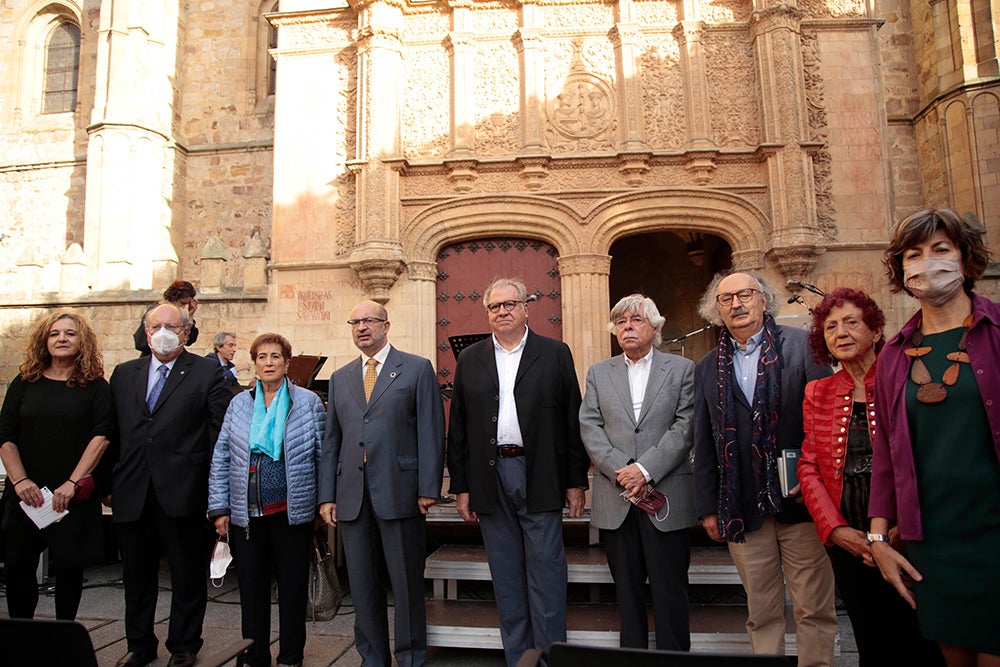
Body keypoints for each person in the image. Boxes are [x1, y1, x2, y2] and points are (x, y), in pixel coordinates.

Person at [869, 207, 1000, 666]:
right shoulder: (893, 355)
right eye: (914, 254)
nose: (928, 262)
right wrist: (879, 541)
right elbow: (886, 453)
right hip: (934, 538)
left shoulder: (998, 331)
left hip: (993, 532)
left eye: (940, 250)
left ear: (964, 259)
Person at [692, 271, 837, 667]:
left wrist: (819, 486)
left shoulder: (803, 347)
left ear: (763, 300)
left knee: (814, 607)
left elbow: (823, 422)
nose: (736, 304)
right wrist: (708, 507)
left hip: (802, 503)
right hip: (742, 507)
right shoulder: (706, 367)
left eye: (745, 295)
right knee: (763, 611)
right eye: (726, 299)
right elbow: (703, 440)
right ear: (716, 309)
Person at [447, 277, 590, 667]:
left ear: (526, 308)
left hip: (539, 472)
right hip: (490, 478)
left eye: (511, 304)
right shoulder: (470, 358)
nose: (503, 311)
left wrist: (576, 481)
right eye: (495, 307)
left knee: (546, 575)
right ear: (487, 313)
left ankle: (549, 659)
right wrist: (461, 485)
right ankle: (520, 661)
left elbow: (571, 420)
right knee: (507, 579)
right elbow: (457, 426)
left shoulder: (555, 353)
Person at [798, 288, 943, 666]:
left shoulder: (906, 379)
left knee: (919, 639)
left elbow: (927, 457)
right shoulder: (818, 391)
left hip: (908, 534)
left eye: (851, 322)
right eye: (830, 327)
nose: (840, 333)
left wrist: (899, 529)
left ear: (876, 330)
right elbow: (809, 466)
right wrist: (835, 530)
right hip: (849, 540)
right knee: (871, 639)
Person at [318, 300, 445, 667]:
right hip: (352, 497)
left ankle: (410, 657)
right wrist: (328, 494)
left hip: (401, 491)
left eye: (369, 320)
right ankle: (373, 657)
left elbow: (431, 432)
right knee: (362, 584)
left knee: (405, 584)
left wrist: (427, 487)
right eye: (354, 321)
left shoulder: (417, 369)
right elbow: (332, 443)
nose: (361, 327)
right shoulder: (341, 378)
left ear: (386, 325)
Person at [108, 302, 232, 667]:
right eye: (156, 326)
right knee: (136, 576)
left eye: (172, 327)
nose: (163, 332)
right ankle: (140, 644)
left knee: (187, 574)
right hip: (133, 491)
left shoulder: (207, 372)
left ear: (186, 332)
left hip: (184, 491)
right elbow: (112, 431)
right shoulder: (124, 373)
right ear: (146, 332)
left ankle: (184, 645)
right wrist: (109, 481)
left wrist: (215, 493)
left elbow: (218, 435)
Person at [579, 294, 697, 650]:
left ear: (655, 327)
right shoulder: (599, 372)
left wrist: (644, 469)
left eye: (635, 320)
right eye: (620, 322)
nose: (627, 327)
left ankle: (674, 658)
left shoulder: (681, 369)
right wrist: (622, 469)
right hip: (616, 500)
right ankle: (632, 658)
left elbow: (686, 425)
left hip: (666, 497)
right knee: (626, 593)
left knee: (669, 590)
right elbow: (590, 426)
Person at [209, 333, 325, 667]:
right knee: (252, 591)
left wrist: (322, 503)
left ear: (287, 363)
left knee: (292, 590)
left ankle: (291, 656)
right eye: (262, 357)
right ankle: (253, 654)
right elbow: (221, 457)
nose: (269, 363)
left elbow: (323, 455)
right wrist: (219, 507)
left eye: (276, 357)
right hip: (247, 515)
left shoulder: (307, 402)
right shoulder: (239, 404)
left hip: (292, 513)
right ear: (255, 364)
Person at [0, 312, 113, 620]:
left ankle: (63, 640)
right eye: (54, 334)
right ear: (44, 341)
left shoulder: (96, 387)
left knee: (68, 572)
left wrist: (72, 484)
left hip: (70, 495)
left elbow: (101, 437)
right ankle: (20, 639)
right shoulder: (25, 383)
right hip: (26, 494)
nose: (61, 339)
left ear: (83, 342)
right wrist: (20, 481)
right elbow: (6, 435)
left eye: (70, 334)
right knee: (18, 569)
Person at [133, 280, 200, 356]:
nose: (183, 307)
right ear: (175, 299)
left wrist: (190, 315)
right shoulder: (155, 311)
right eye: (182, 303)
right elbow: (141, 342)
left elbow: (188, 340)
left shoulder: (178, 314)